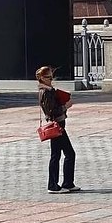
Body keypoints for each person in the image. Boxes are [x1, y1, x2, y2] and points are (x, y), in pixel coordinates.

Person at [36, 65, 81, 194]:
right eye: (48, 77)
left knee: (58, 154)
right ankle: (55, 185)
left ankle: (65, 183)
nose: (51, 80)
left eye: (52, 77)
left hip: (58, 124)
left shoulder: (49, 90)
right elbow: (52, 112)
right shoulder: (45, 92)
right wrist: (66, 106)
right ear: (41, 78)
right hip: (56, 126)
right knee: (66, 154)